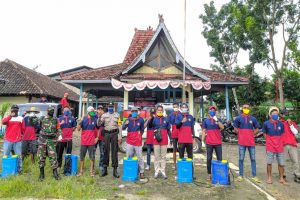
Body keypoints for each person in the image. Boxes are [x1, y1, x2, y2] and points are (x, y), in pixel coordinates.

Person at [233, 103, 260, 183]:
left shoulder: (253, 119)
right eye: (244, 107)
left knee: (253, 159)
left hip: (251, 143)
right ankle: (240, 175)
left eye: (247, 108)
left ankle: (254, 176)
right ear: (242, 108)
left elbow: (257, 128)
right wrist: (240, 134)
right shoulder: (238, 118)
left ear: (249, 109)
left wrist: (252, 134)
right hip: (241, 142)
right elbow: (235, 128)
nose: (246, 109)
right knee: (241, 159)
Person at [262, 106, 286, 184]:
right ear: (270, 115)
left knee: (281, 163)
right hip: (270, 146)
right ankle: (269, 178)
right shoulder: (266, 123)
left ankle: (281, 178)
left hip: (279, 147)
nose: (275, 115)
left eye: (276, 113)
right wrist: (269, 142)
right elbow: (264, 134)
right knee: (269, 163)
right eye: (273, 113)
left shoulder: (281, 124)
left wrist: (280, 143)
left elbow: (282, 134)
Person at [97, 103, 122, 178]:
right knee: (105, 151)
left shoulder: (117, 115)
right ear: (107, 108)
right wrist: (99, 117)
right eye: (109, 107)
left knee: (114, 152)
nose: (110, 108)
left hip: (114, 134)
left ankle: (115, 170)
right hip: (106, 134)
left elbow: (119, 126)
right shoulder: (104, 115)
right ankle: (105, 169)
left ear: (113, 107)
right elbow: (99, 124)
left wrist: (120, 137)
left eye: (111, 107)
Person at [38, 106, 62, 181]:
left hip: (51, 141)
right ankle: (42, 174)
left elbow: (58, 129)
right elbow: (35, 123)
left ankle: (55, 174)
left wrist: (60, 135)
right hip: (42, 140)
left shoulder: (56, 120)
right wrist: (32, 117)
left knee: (53, 157)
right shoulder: (42, 118)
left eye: (52, 111)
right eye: (50, 111)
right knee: (41, 157)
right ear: (47, 111)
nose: (51, 112)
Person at [201, 105, 224, 181]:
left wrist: (216, 120)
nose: (212, 111)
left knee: (219, 158)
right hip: (209, 142)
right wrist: (202, 141)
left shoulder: (219, 119)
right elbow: (204, 131)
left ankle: (219, 173)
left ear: (215, 111)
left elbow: (222, 127)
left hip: (218, 142)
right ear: (209, 111)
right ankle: (209, 174)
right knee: (209, 159)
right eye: (211, 110)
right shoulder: (205, 121)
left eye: (214, 110)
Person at [122, 107, 145, 179]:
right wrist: (125, 124)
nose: (134, 112)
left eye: (136, 111)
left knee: (140, 157)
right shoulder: (128, 120)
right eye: (133, 111)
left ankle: (141, 172)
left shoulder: (141, 120)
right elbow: (123, 128)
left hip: (138, 142)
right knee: (129, 157)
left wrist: (139, 135)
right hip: (129, 141)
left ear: (137, 112)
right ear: (131, 112)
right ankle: (131, 171)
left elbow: (142, 130)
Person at [77, 106, 98, 177]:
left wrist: (97, 137)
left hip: (91, 142)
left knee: (92, 157)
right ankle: (81, 171)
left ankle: (91, 172)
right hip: (84, 142)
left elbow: (98, 129)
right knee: (82, 157)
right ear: (88, 112)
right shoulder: (84, 119)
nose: (93, 112)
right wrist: (80, 122)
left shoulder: (95, 119)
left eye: (94, 111)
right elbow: (78, 129)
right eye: (92, 111)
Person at [2, 105, 24, 173]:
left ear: (18, 111)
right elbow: (3, 122)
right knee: (5, 155)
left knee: (19, 156)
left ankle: (19, 170)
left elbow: (23, 129)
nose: (14, 111)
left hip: (17, 140)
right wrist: (10, 116)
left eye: (15, 110)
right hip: (8, 140)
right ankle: (5, 170)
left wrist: (21, 136)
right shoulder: (8, 118)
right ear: (11, 110)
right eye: (13, 109)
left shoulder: (21, 118)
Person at [151, 105, 170, 179]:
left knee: (163, 156)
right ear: (156, 111)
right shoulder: (154, 119)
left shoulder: (166, 119)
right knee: (156, 156)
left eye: (161, 110)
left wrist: (171, 138)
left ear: (163, 111)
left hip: (164, 140)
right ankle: (156, 171)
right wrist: (151, 118)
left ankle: (163, 171)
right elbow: (150, 127)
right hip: (156, 140)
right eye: (158, 110)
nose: (160, 111)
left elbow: (168, 129)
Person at [280, 108, 299, 179]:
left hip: (292, 144)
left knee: (295, 160)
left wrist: (290, 124)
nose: (286, 115)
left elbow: (296, 132)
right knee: (282, 160)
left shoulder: (292, 122)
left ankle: (297, 174)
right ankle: (282, 174)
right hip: (283, 144)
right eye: (285, 114)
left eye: (287, 114)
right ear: (281, 115)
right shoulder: (279, 123)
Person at [168, 103, 181, 169]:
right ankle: (174, 164)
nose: (175, 108)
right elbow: (169, 125)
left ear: (178, 107)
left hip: (181, 134)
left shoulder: (181, 114)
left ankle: (181, 163)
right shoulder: (171, 115)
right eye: (174, 107)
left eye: (176, 107)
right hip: (174, 134)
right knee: (174, 150)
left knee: (181, 149)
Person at [94, 105, 106, 174]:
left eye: (101, 109)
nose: (100, 110)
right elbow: (96, 125)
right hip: (95, 137)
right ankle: (92, 166)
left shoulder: (104, 117)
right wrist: (97, 115)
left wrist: (102, 115)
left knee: (102, 152)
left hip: (102, 137)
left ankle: (101, 165)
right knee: (93, 151)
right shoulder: (94, 116)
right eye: (99, 109)